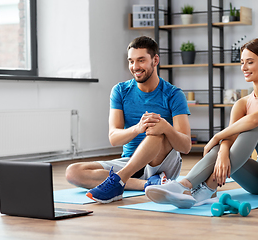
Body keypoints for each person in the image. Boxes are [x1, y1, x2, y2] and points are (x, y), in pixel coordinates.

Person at [145, 38, 258, 209]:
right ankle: (184, 186)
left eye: (250, 62)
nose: (243, 68)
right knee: (221, 148)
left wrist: (217, 136)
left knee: (256, 126)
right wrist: (222, 150)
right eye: (242, 62)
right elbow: (230, 138)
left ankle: (205, 189)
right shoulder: (242, 103)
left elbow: (254, 120)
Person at [65, 36, 191, 204]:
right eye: (131, 61)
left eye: (141, 60)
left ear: (155, 60)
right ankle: (147, 184)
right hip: (129, 162)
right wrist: (137, 128)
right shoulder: (120, 91)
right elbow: (114, 137)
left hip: (162, 164)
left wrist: (165, 127)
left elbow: (186, 145)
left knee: (155, 129)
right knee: (73, 172)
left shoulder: (174, 94)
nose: (135, 67)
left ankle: (119, 181)